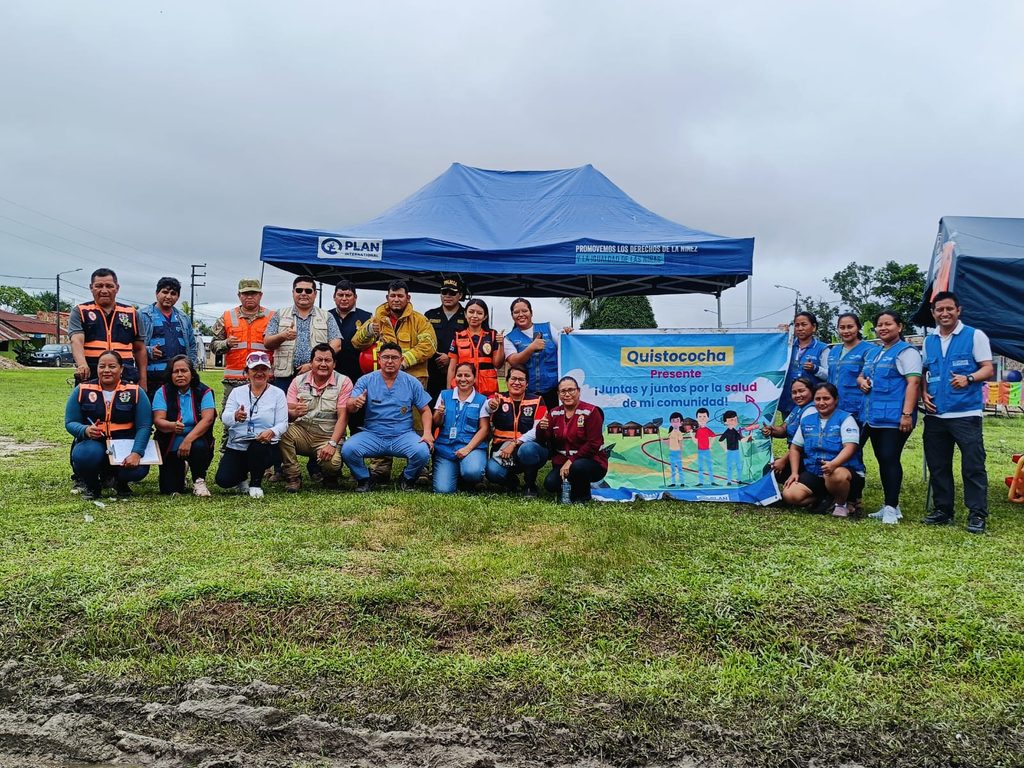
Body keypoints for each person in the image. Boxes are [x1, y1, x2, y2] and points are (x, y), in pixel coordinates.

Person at [921, 291, 994, 533]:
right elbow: (924, 373)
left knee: (973, 466)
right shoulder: (929, 341)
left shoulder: (974, 336)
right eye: (939, 310)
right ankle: (943, 510)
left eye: (949, 309)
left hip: (965, 414)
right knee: (938, 465)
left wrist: (969, 378)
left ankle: (977, 514)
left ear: (958, 310)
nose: (944, 313)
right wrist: (923, 393)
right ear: (933, 313)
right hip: (935, 416)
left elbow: (987, 369)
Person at [351, 280, 437, 480]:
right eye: (392, 295)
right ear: (387, 298)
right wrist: (369, 332)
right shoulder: (377, 319)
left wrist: (403, 361)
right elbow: (356, 342)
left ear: (408, 298)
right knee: (380, 418)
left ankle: (419, 467)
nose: (396, 299)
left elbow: (429, 346)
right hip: (381, 381)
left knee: (415, 420)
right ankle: (381, 466)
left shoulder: (420, 321)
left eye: (400, 295)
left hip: (414, 379)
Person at [341, 342, 434, 492]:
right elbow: (350, 406)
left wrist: (428, 433)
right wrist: (355, 403)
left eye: (394, 358)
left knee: (422, 451)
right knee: (348, 449)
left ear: (401, 360)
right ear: (379, 359)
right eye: (386, 357)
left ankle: (407, 478)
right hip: (374, 434)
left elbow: (425, 410)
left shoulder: (411, 382)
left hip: (402, 434)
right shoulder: (366, 380)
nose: (390, 361)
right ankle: (364, 479)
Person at [858, 310, 922, 525]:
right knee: (882, 459)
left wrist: (906, 414)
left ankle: (891, 508)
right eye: (879, 324)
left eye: (888, 324)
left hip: (894, 418)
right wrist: (861, 381)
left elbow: (913, 383)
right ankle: (891, 504)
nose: (883, 328)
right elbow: (863, 374)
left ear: (899, 327)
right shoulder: (876, 352)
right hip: (873, 416)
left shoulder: (907, 352)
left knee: (889, 458)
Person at [64, 350, 152, 500]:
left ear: (121, 369)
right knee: (84, 456)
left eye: (112, 366)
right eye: (101, 366)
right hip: (94, 443)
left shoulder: (135, 392)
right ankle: (92, 486)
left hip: (124, 443)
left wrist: (136, 452)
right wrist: (85, 430)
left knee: (138, 470)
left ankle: (120, 482)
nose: (106, 371)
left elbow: (144, 426)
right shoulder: (82, 390)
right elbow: (70, 422)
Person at [782, 382, 865, 518]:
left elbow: (850, 447)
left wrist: (834, 464)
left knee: (835, 475)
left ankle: (841, 504)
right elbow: (795, 448)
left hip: (844, 472)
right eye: (818, 399)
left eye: (826, 398)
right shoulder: (807, 420)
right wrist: (794, 472)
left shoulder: (846, 419)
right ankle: (824, 499)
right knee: (789, 495)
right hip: (815, 472)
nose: (821, 403)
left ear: (836, 399)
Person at [215, 351, 288, 499]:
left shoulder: (278, 394)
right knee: (223, 480)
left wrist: (272, 431)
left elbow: (283, 423)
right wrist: (235, 416)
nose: (259, 373)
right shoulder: (236, 393)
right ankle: (242, 477)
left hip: (264, 443)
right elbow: (225, 417)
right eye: (255, 369)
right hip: (239, 443)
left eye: (263, 369)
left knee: (257, 447)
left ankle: (256, 483)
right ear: (247, 372)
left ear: (269, 372)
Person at [280, 343, 353, 492]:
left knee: (332, 463)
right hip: (302, 432)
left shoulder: (344, 382)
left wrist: (332, 443)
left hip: (328, 435)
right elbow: (288, 413)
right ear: (311, 362)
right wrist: (295, 413)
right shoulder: (298, 381)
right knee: (281, 432)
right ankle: (293, 476)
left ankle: (330, 476)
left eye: (328, 360)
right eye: (319, 360)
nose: (323, 364)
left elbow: (343, 417)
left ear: (334, 364)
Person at [209, 278, 275, 430]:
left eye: (253, 293)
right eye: (245, 294)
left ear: (260, 295)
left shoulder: (272, 317)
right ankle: (228, 453)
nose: (249, 297)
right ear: (239, 295)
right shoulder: (227, 317)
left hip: (264, 380)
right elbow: (213, 345)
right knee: (231, 423)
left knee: (264, 423)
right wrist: (226, 343)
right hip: (234, 382)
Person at [69, 268, 147, 388]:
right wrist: (82, 365)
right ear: (91, 287)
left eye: (109, 286)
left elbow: (140, 349)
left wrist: (143, 380)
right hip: (91, 375)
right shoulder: (80, 311)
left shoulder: (132, 313)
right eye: (99, 286)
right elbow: (76, 340)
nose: (104, 290)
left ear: (117, 288)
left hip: (126, 376)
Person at [151, 354, 216, 497]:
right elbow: (158, 420)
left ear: (192, 374)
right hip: (170, 441)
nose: (180, 375)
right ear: (170, 374)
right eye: (176, 371)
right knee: (170, 490)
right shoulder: (162, 392)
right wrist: (172, 426)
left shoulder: (204, 391)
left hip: (196, 440)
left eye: (184, 371)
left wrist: (188, 440)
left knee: (198, 446)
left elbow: (208, 420)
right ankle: (182, 469)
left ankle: (199, 480)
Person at [264, 277, 341, 394]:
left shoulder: (327, 316)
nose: (303, 294)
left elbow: (336, 345)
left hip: (316, 375)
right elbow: (267, 343)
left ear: (315, 294)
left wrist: (312, 365)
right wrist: (283, 336)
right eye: (299, 290)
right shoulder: (279, 314)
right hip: (285, 377)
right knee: (285, 410)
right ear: (293, 292)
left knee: (312, 410)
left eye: (308, 291)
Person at [537, 376, 607, 502]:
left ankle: (582, 498)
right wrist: (541, 428)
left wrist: (571, 461)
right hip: (562, 463)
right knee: (550, 484)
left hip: (591, 462)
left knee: (578, 467)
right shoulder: (553, 413)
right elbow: (543, 440)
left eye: (571, 390)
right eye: (563, 391)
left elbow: (593, 444)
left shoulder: (591, 412)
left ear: (578, 391)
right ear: (558, 394)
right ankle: (572, 487)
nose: (567, 394)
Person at [484, 366, 550, 497]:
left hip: (529, 449)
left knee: (527, 450)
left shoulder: (538, 400)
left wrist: (515, 443)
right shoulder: (497, 397)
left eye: (521, 380)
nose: (517, 382)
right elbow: (487, 407)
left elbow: (537, 429)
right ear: (507, 381)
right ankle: (511, 481)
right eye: (513, 378)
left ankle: (530, 485)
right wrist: (491, 406)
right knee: (492, 472)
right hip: (502, 451)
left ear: (527, 384)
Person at [504, 298, 572, 410]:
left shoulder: (548, 328)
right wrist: (531, 348)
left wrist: (568, 333)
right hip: (527, 393)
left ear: (531, 313)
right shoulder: (509, 338)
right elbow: (513, 360)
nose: (521, 314)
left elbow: (565, 347)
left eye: (524, 311)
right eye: (516, 312)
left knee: (555, 424)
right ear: (512, 316)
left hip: (554, 391)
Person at [432, 362, 490, 494]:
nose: (463, 379)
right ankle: (455, 474)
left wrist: (467, 449)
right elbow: (436, 422)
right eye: (459, 375)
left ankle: (469, 480)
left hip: (471, 448)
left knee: (472, 471)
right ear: (454, 377)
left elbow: (484, 429)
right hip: (446, 448)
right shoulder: (444, 395)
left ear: (474, 378)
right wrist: (439, 414)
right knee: (443, 490)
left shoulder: (482, 400)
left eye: (467, 375)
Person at [139, 277, 199, 399]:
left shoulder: (183, 317)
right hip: (153, 377)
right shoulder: (143, 315)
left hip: (177, 377)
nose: (169, 296)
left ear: (178, 296)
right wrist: (149, 350)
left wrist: (190, 369)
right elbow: (133, 346)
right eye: (165, 292)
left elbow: (192, 346)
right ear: (157, 293)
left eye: (173, 293)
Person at [327, 280, 372, 434]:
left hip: (358, 376)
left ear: (355, 297)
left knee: (357, 418)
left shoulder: (367, 318)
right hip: (331, 375)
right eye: (340, 295)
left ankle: (355, 451)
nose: (344, 298)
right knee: (331, 416)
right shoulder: (326, 316)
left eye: (348, 295)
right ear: (334, 297)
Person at [446, 299, 504, 397]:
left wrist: (501, 344)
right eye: (471, 312)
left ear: (485, 316)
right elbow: (452, 368)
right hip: (464, 386)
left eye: (479, 313)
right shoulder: (458, 336)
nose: (475, 316)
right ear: (465, 314)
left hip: (487, 388)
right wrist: (448, 392)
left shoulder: (492, 335)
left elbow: (497, 364)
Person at [763, 377, 816, 484]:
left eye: (801, 391)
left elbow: (801, 445)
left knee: (770, 470)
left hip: (805, 458)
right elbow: (783, 429)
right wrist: (771, 430)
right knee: (767, 468)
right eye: (794, 392)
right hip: (794, 455)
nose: (797, 395)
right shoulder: (797, 408)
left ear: (812, 391)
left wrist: (783, 461)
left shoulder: (812, 410)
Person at [823, 313, 874, 421]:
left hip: (857, 408)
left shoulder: (870, 350)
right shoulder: (834, 351)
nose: (846, 331)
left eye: (850, 327)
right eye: (842, 328)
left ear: (858, 328)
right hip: (833, 408)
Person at [424, 278, 467, 401]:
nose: (447, 296)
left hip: (459, 372)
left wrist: (450, 358)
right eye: (444, 292)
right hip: (433, 370)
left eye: (452, 293)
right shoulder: (429, 315)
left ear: (460, 295)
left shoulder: (467, 316)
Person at [778, 311, 827, 417]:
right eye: (797, 325)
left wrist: (815, 369)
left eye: (804, 325)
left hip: (812, 403)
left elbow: (829, 374)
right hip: (788, 400)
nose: (800, 328)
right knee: (788, 430)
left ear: (814, 327)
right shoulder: (787, 346)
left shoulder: (822, 348)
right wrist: (780, 334)